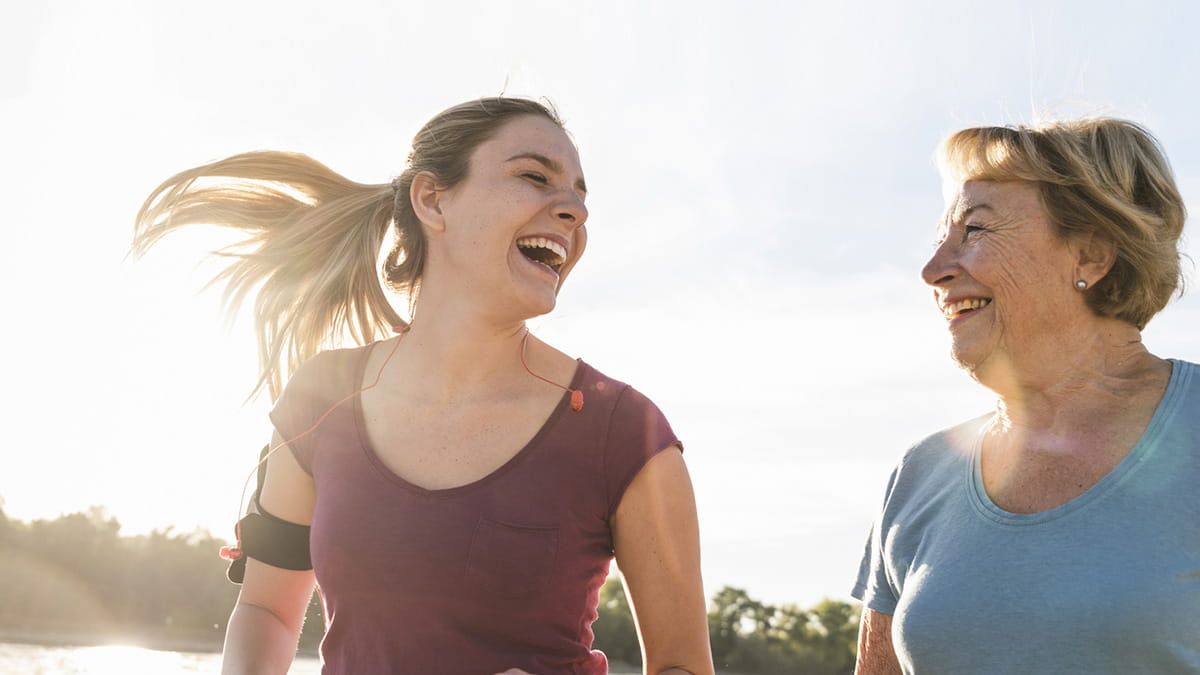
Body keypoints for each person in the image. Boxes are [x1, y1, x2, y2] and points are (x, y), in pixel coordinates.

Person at [132, 97, 714, 675]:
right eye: (535, 177)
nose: (573, 212)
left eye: (581, 199)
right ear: (433, 201)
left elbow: (683, 666)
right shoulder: (322, 396)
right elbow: (268, 610)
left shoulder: (625, 431)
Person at [852, 118, 1200, 674]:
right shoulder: (919, 474)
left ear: (1090, 256)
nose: (933, 270)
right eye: (941, 238)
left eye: (975, 231)